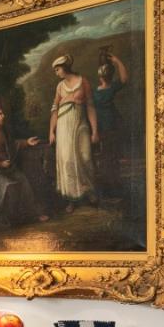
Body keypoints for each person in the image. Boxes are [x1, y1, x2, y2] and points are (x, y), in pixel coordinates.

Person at [0, 104, 48, 227]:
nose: (3, 116)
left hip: (7, 168)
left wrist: (27, 142)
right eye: (0, 114)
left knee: (24, 181)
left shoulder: (3, 133)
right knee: (8, 186)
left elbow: (12, 145)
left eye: (2, 114)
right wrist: (0, 163)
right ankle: (4, 217)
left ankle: (33, 214)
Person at [47, 53, 98, 211]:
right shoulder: (60, 87)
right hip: (63, 127)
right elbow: (54, 110)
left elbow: (90, 106)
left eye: (57, 69)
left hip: (80, 124)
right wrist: (51, 131)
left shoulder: (83, 82)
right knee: (68, 160)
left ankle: (89, 191)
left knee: (85, 157)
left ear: (65, 67)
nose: (56, 73)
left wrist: (95, 130)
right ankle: (72, 198)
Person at [93, 47, 130, 199]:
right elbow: (124, 79)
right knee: (108, 159)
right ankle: (110, 188)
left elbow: (124, 79)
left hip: (111, 127)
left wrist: (116, 61)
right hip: (104, 127)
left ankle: (112, 189)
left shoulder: (102, 90)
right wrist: (116, 61)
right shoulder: (100, 90)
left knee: (109, 158)